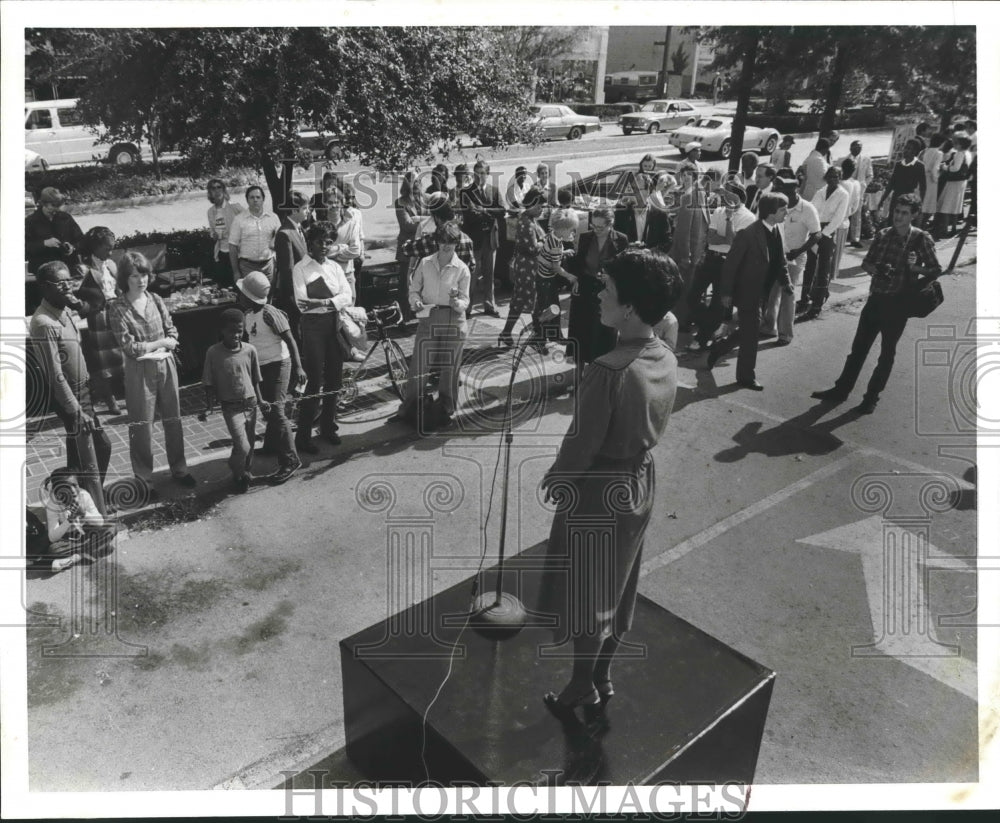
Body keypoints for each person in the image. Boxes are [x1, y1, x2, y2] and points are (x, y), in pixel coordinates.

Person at [537, 248, 681, 725]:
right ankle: (603, 674)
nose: (599, 295)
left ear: (632, 308)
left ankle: (581, 686)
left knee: (588, 590)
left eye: (609, 290)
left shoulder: (607, 369)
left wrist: (558, 478)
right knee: (620, 581)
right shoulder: (664, 354)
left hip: (599, 489)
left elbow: (581, 445)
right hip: (639, 480)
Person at [811, 193, 941, 415]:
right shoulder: (883, 235)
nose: (898, 216)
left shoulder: (921, 239)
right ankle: (841, 390)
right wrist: (875, 269)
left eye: (904, 213)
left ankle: (871, 398)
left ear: (914, 215)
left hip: (898, 304)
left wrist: (915, 268)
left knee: (886, 354)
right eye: (896, 211)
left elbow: (936, 269)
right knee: (858, 350)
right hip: (876, 300)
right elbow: (866, 263)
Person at [30, 261, 113, 515]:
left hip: (83, 390)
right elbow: (54, 375)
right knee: (93, 449)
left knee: (86, 451)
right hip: (70, 395)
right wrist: (77, 410)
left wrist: (74, 300)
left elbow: (93, 305)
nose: (68, 287)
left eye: (70, 281)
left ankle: (81, 502)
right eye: (61, 283)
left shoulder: (63, 309)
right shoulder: (44, 322)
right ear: (45, 287)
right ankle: (80, 504)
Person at [108, 252, 195, 495]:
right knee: (142, 425)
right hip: (139, 371)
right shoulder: (116, 308)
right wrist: (160, 343)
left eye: (144, 274)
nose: (141, 280)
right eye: (134, 275)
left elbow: (172, 331)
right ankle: (144, 479)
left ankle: (180, 468)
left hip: (166, 365)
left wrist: (171, 340)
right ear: (125, 278)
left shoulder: (156, 299)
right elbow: (130, 348)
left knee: (173, 420)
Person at [707, 192, 792, 391]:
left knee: (749, 329)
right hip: (747, 292)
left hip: (764, 291)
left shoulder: (777, 229)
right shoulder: (748, 234)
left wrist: (786, 281)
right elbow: (730, 265)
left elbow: (780, 260)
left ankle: (719, 347)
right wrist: (726, 293)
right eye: (782, 209)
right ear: (771, 212)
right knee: (752, 335)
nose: (786, 212)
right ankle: (746, 377)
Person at [395, 222, 471, 429]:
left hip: (453, 318)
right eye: (443, 242)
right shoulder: (425, 262)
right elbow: (414, 289)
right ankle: (408, 409)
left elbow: (466, 300)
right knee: (419, 366)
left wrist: (458, 303)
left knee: (450, 368)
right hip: (429, 316)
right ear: (437, 241)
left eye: (451, 243)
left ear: (456, 243)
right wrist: (415, 301)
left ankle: (447, 409)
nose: (447, 247)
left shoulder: (462, 269)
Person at [236, 271, 305, 485]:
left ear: (249, 296)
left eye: (242, 293)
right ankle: (272, 445)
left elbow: (290, 339)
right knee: (268, 409)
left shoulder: (270, 313)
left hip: (279, 364)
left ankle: (290, 460)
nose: (238, 296)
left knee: (277, 411)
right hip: (262, 367)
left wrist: (299, 367)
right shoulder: (248, 315)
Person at [292, 222, 355, 453]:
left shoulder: (335, 268)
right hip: (313, 328)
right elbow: (302, 304)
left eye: (329, 242)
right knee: (314, 382)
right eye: (320, 242)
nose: (325, 246)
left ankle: (328, 427)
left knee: (334, 380)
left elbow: (347, 295)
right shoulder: (300, 268)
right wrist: (332, 301)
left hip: (333, 326)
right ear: (310, 242)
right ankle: (303, 436)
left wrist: (323, 302)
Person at [202, 309, 268, 493]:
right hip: (231, 408)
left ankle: (243, 474)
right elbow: (208, 382)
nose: (236, 335)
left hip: (251, 403)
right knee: (242, 445)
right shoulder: (213, 352)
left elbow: (255, 379)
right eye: (231, 331)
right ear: (222, 331)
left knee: (250, 444)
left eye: (240, 331)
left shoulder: (250, 350)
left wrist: (261, 401)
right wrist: (209, 407)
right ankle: (235, 467)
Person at [686, 181, 756, 353]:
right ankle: (711, 326)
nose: (724, 197)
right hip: (711, 259)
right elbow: (710, 238)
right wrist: (724, 237)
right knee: (691, 297)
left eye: (728, 194)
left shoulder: (748, 217)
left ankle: (702, 338)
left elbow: (733, 242)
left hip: (728, 263)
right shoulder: (718, 211)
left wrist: (729, 219)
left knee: (718, 303)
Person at [566, 205, 629, 375]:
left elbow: (624, 268)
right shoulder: (586, 237)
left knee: (604, 331)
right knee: (581, 330)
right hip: (585, 288)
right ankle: (578, 372)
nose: (596, 230)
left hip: (607, 291)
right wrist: (574, 276)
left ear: (611, 224)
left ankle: (599, 372)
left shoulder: (621, 240)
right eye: (593, 225)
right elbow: (579, 263)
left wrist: (612, 278)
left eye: (600, 227)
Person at [761, 174, 820, 345]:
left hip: (795, 257)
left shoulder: (808, 208)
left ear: (794, 191)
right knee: (773, 293)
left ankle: (785, 334)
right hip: (777, 255)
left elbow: (817, 234)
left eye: (783, 191)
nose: (780, 194)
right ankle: (770, 327)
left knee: (788, 294)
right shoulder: (778, 206)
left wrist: (799, 251)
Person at [73, 226, 124, 415]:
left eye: (112, 248)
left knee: (122, 356)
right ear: (94, 246)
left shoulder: (110, 264)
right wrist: (87, 309)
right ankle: (109, 399)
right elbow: (73, 295)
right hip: (97, 318)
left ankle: (128, 394)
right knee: (102, 363)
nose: (110, 252)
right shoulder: (83, 268)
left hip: (116, 314)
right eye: (106, 248)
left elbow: (119, 288)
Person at [497, 188, 548, 349]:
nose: (541, 210)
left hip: (529, 265)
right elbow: (533, 247)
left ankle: (535, 335)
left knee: (530, 300)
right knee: (527, 299)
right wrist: (544, 242)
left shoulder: (530, 219)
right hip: (528, 266)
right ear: (532, 205)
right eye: (539, 206)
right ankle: (535, 336)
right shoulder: (526, 222)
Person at [798, 166, 851, 321]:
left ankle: (816, 305)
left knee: (823, 270)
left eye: (836, 177)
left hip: (828, 233)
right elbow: (811, 210)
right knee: (809, 267)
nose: (833, 179)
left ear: (840, 178)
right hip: (815, 230)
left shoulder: (843, 194)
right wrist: (812, 231)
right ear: (826, 177)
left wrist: (824, 234)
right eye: (830, 176)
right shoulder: (820, 192)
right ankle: (804, 298)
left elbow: (838, 218)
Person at [40, 467, 116, 572]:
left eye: (75, 485)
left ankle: (76, 557)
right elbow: (53, 537)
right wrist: (70, 520)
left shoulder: (84, 495)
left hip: (86, 532)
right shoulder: (52, 505)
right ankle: (93, 550)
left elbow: (100, 522)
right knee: (53, 550)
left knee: (112, 528)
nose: (73, 491)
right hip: (69, 538)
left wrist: (84, 513)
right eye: (67, 488)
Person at [460, 161, 505, 318]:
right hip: (474, 239)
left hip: (490, 238)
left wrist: (485, 210)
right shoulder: (466, 192)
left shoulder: (494, 190)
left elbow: (502, 211)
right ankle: (468, 308)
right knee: (472, 275)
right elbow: (470, 214)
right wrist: (488, 213)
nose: (479, 177)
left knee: (489, 274)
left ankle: (489, 305)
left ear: (488, 173)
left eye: (483, 173)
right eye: (477, 173)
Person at [669, 161, 710, 328]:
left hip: (693, 252)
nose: (685, 178)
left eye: (689, 175)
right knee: (687, 290)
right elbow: (685, 229)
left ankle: (684, 321)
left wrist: (689, 255)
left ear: (695, 177)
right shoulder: (692, 195)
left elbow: (691, 229)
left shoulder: (694, 195)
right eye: (683, 175)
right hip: (691, 253)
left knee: (687, 290)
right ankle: (682, 321)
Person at [536, 208, 580, 346]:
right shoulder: (556, 244)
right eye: (571, 230)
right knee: (550, 309)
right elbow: (556, 267)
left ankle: (549, 335)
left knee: (549, 306)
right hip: (546, 279)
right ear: (563, 229)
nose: (573, 233)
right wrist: (570, 276)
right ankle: (543, 337)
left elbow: (551, 255)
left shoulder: (552, 236)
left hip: (543, 277)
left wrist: (564, 252)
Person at [274, 189, 311, 338]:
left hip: (305, 288)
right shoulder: (284, 233)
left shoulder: (299, 228)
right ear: (294, 210)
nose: (308, 211)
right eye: (305, 208)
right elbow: (287, 271)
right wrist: (295, 299)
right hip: (295, 294)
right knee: (297, 331)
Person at [25, 187, 84, 275]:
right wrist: (44, 243)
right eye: (53, 206)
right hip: (43, 271)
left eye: (58, 206)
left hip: (67, 268)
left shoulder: (66, 218)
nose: (56, 210)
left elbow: (82, 240)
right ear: (43, 203)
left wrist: (72, 247)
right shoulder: (30, 222)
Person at [228, 185, 281, 283]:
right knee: (249, 297)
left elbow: (281, 240)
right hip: (247, 267)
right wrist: (236, 272)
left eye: (258, 197)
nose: (255, 200)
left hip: (268, 266)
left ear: (263, 199)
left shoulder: (273, 217)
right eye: (251, 197)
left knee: (268, 296)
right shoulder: (239, 220)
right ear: (247, 200)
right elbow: (232, 247)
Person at [394, 171, 427, 323]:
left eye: (418, 184)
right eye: (412, 185)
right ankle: (404, 316)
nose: (416, 188)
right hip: (408, 248)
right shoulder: (400, 202)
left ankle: (421, 313)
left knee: (424, 283)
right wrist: (427, 221)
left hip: (425, 248)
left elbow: (435, 218)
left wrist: (419, 218)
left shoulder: (427, 199)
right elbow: (406, 225)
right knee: (406, 284)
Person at [205, 179, 244, 288]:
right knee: (225, 286)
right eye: (213, 188)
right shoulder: (211, 211)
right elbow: (212, 231)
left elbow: (249, 221)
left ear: (224, 190)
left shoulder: (235, 207)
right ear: (210, 193)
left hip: (238, 252)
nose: (217, 190)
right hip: (222, 253)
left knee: (239, 284)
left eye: (219, 187)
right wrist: (214, 235)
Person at [878, 139, 926, 225]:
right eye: (905, 148)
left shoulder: (919, 166)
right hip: (896, 198)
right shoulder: (899, 164)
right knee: (892, 221)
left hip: (909, 199)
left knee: (904, 223)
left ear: (915, 151)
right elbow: (891, 184)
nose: (905, 150)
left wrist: (920, 204)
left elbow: (923, 187)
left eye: (909, 149)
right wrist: (882, 199)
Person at [935, 134, 973, 238]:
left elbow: (955, 168)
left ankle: (945, 229)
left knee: (947, 205)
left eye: (956, 143)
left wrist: (945, 167)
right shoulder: (968, 153)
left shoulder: (959, 154)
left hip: (953, 182)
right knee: (956, 205)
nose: (954, 145)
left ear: (961, 145)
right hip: (961, 182)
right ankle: (954, 228)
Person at [643, 172, 677, 251]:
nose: (665, 186)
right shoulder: (655, 195)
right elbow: (662, 211)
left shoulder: (658, 193)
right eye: (665, 183)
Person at [919, 133, 945, 231]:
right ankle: (922, 224)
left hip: (921, 177)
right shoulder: (939, 153)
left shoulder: (924, 151)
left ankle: (919, 224)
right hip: (930, 179)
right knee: (928, 203)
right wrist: (937, 176)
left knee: (922, 201)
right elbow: (935, 169)